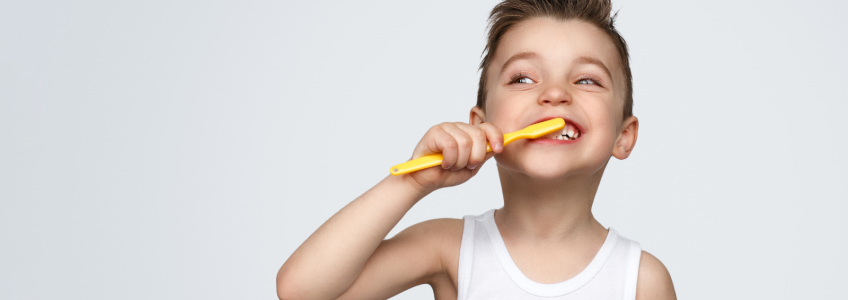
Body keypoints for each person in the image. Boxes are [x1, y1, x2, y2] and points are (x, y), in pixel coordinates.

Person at [277, 0, 676, 299]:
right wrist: (413, 182)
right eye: (522, 78)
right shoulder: (447, 246)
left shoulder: (642, 279)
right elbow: (300, 290)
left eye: (587, 80)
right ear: (480, 123)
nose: (555, 94)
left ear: (624, 136)